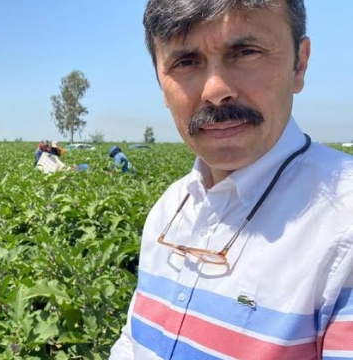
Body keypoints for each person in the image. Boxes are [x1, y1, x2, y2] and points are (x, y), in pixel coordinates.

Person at [110, 1, 353, 359]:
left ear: (299, 64)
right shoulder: (169, 208)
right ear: (161, 82)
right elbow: (133, 342)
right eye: (186, 62)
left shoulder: (343, 224)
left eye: (246, 52)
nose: (216, 89)